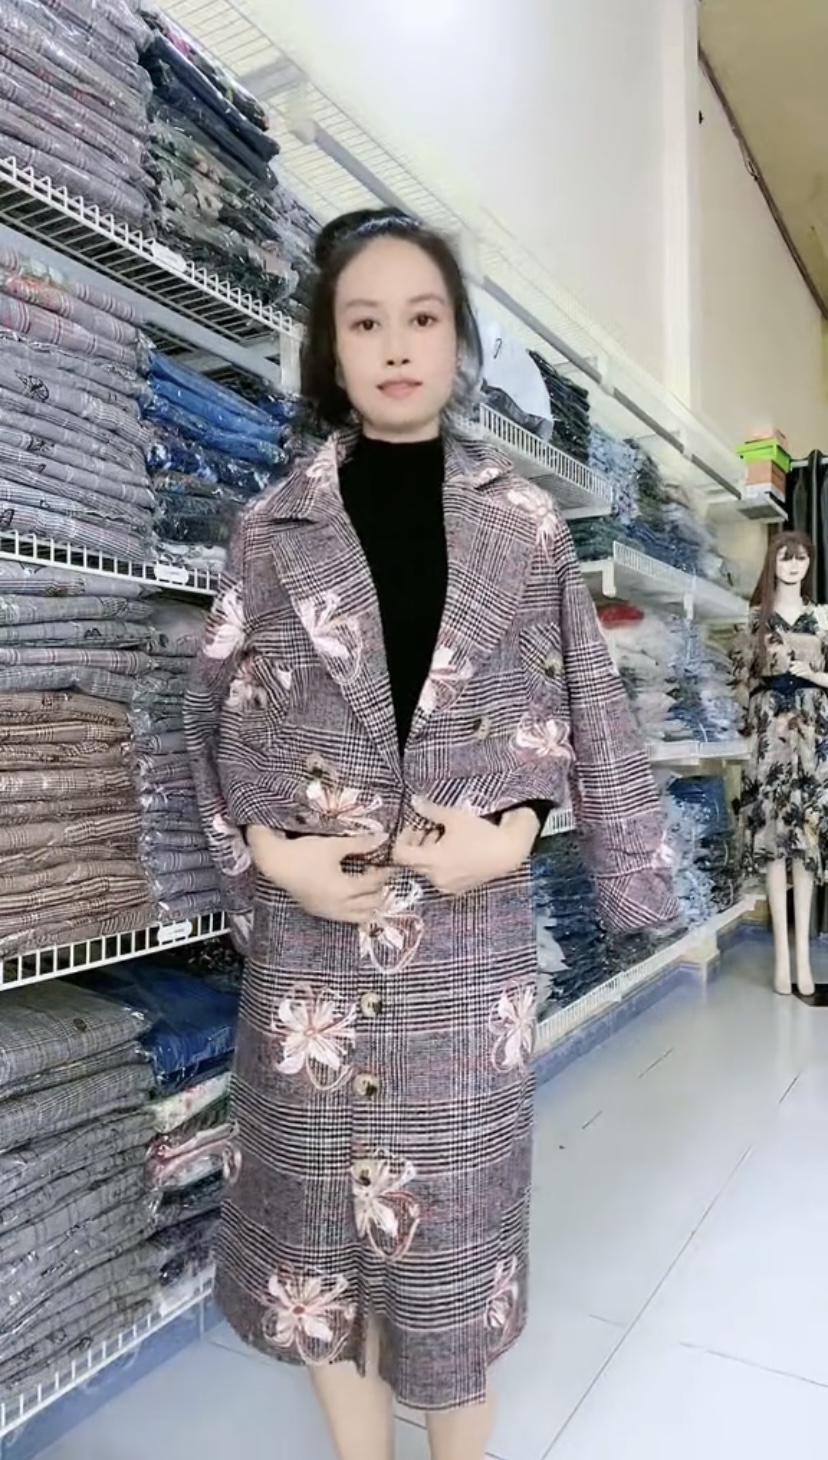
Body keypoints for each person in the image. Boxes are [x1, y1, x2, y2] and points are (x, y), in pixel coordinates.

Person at [183, 207, 677, 1460]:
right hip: (311, 962)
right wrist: (271, 854)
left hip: (467, 953)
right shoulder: (271, 527)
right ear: (330, 348)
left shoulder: (526, 525)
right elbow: (218, 714)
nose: (396, 345)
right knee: (319, 1250)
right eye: (366, 322)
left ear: (458, 341)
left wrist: (517, 834)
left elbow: (575, 702)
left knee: (453, 1253)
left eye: (422, 317)